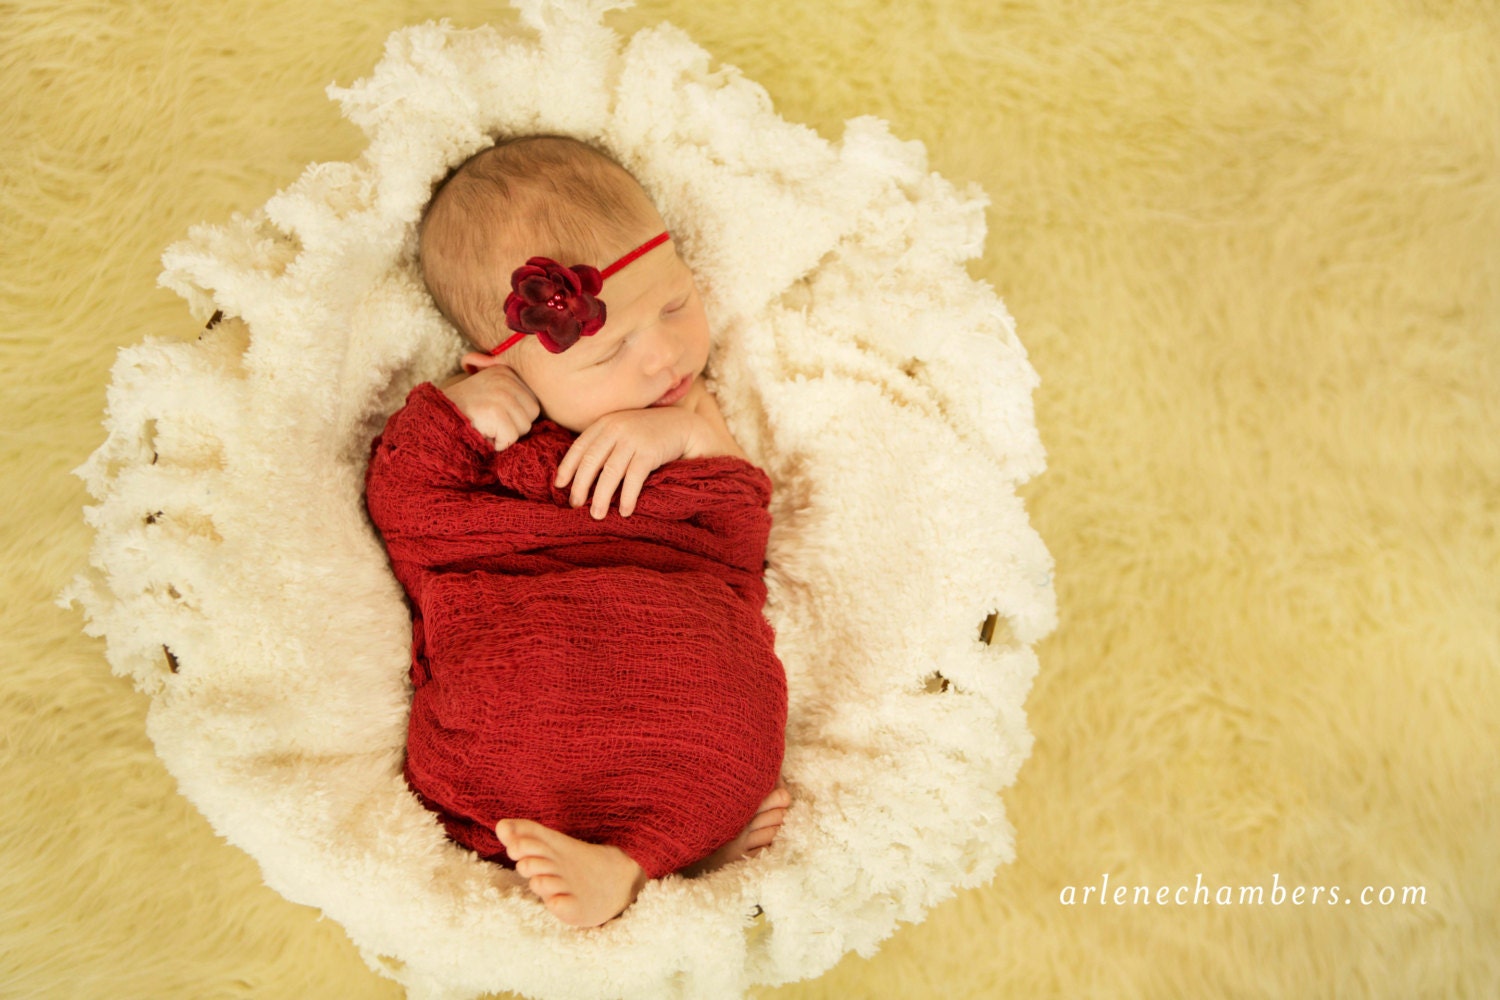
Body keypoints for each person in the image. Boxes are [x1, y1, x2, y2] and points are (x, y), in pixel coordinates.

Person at [364, 135, 790, 929]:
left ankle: (658, 854)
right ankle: (656, 855)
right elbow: (408, 514)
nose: (664, 356)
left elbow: (737, 540)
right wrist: (454, 417)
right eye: (608, 352)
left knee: (731, 733)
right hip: (520, 676)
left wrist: (684, 443)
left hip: (686, 666)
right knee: (513, 722)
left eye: (674, 305)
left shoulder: (693, 417)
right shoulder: (489, 432)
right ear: (500, 364)